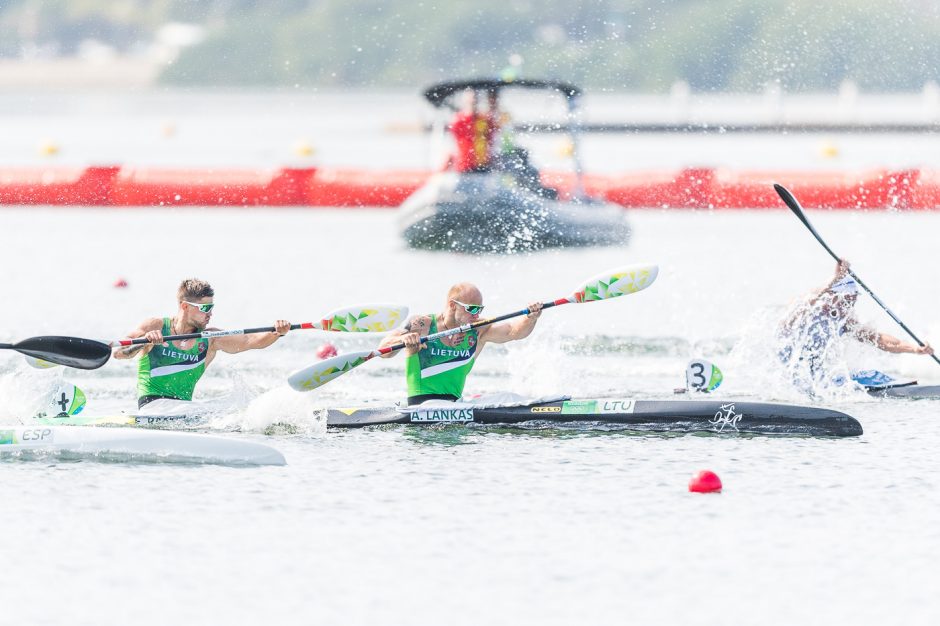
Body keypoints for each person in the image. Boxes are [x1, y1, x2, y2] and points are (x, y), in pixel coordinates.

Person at [114, 278, 291, 408]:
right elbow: (119, 353)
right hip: (151, 406)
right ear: (185, 306)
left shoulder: (210, 338)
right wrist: (144, 342)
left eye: (211, 308)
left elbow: (250, 340)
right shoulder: (154, 326)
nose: (210, 313)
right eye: (205, 308)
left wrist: (277, 332)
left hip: (184, 411)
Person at [777, 260, 932, 390]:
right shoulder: (807, 307)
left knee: (870, 375)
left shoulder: (845, 321)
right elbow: (790, 316)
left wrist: (915, 349)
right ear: (831, 296)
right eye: (847, 299)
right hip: (787, 371)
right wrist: (832, 282)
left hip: (816, 373)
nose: (849, 305)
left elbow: (879, 340)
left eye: (853, 300)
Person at [378, 282, 543, 405]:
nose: (476, 315)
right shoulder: (422, 324)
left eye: (480, 309)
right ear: (452, 305)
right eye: (471, 309)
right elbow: (384, 350)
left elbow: (513, 332)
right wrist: (403, 340)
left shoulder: (478, 328)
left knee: (509, 397)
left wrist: (530, 318)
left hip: (455, 404)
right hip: (422, 405)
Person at [449, 90, 500, 173]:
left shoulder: (483, 119)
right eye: (470, 101)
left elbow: (493, 134)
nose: (472, 102)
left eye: (474, 100)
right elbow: (452, 143)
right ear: (464, 102)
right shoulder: (459, 120)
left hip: (484, 164)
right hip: (465, 165)